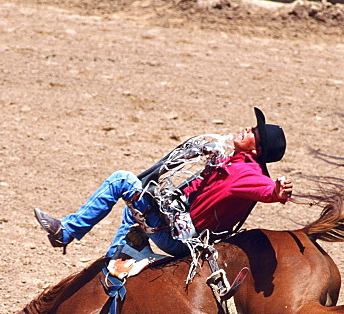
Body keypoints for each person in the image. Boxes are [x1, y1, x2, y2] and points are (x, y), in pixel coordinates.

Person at [34, 107, 292, 259]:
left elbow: (265, 189)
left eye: (254, 133)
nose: (248, 129)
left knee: (122, 180)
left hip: (179, 240)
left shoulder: (247, 173)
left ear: (257, 150)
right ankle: (114, 260)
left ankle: (68, 232)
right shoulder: (232, 163)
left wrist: (277, 192)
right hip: (182, 233)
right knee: (135, 207)